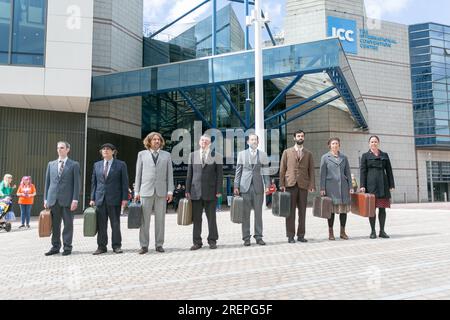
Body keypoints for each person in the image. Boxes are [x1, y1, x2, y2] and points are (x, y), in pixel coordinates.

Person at [135, 132, 174, 254]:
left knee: (160, 219)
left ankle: (159, 244)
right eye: (154, 139)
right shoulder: (141, 154)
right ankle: (144, 245)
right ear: (149, 141)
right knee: (144, 220)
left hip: (161, 191)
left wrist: (170, 191)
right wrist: (136, 191)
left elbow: (170, 174)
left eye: (159, 139)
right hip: (145, 191)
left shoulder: (166, 155)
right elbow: (138, 174)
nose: (157, 141)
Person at [90, 143, 129, 255]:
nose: (105, 151)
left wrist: (124, 198)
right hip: (100, 199)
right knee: (101, 224)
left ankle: (116, 246)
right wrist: (92, 198)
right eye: (103, 149)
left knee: (115, 224)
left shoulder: (121, 165)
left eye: (108, 149)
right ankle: (101, 246)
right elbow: (94, 183)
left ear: (113, 151)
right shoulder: (97, 165)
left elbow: (124, 183)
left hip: (115, 199)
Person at [186, 134, 223, 250]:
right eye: (202, 140)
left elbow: (220, 175)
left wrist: (219, 190)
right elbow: (189, 174)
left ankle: (212, 240)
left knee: (211, 218)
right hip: (195, 192)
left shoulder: (216, 156)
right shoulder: (192, 155)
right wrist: (187, 190)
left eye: (206, 141)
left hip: (211, 192)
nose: (204, 142)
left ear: (210, 143)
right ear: (199, 142)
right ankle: (197, 242)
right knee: (196, 218)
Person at [44, 141, 81, 256]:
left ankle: (67, 247)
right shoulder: (51, 164)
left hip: (68, 201)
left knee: (68, 225)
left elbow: (77, 184)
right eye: (58, 148)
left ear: (68, 149)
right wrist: (45, 199)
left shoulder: (74, 165)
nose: (59, 150)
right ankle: (55, 247)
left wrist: (75, 199)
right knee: (55, 225)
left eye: (62, 147)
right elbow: (47, 183)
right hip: (53, 200)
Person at [234, 133, 270, 246]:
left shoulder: (263, 155)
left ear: (258, 142)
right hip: (245, 187)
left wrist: (267, 185)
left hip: (258, 187)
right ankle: (246, 238)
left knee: (258, 213)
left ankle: (259, 236)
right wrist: (236, 186)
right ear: (248, 142)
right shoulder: (241, 154)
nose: (254, 141)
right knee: (245, 214)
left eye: (256, 140)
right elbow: (238, 171)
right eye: (252, 140)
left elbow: (265, 172)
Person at [279, 130, 315, 243]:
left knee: (302, 212)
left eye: (302, 136)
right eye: (298, 136)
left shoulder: (308, 153)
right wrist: (281, 184)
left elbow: (312, 171)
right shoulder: (287, 152)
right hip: (290, 184)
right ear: (294, 138)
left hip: (303, 185)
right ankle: (290, 235)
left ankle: (301, 235)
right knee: (290, 212)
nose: (300, 137)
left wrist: (312, 185)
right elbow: (282, 169)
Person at [360, 135, 395, 239]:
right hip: (371, 185)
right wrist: (362, 185)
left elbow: (389, 170)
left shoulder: (384, 155)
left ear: (378, 143)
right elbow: (363, 171)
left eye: (375, 142)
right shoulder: (365, 155)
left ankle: (382, 231)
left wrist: (391, 184)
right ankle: (373, 231)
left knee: (382, 209)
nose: (373, 143)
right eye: (372, 142)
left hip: (383, 184)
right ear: (369, 144)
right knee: (372, 209)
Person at [319, 138, 353, 241]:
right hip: (330, 188)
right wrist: (322, 188)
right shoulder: (325, 157)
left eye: (337, 143)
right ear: (329, 145)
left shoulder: (344, 157)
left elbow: (348, 172)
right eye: (333, 143)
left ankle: (342, 232)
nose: (335, 145)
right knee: (331, 211)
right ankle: (331, 233)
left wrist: (350, 186)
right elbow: (322, 174)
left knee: (343, 211)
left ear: (339, 145)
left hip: (343, 187)